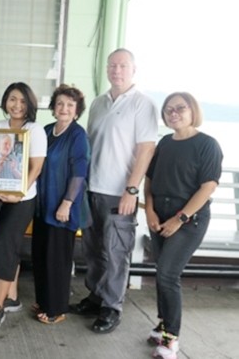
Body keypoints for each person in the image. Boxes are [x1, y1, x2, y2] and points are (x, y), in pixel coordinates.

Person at [72, 48, 158, 333]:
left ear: (133, 69)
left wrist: (131, 190)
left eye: (122, 65)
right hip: (91, 188)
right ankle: (96, 296)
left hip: (120, 192)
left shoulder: (142, 104)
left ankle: (112, 307)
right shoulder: (98, 103)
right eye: (111, 65)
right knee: (93, 249)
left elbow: (146, 149)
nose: (116, 70)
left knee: (117, 251)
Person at [144, 92, 222, 359]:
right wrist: (150, 213)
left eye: (180, 108)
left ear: (193, 111)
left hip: (189, 219)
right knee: (160, 271)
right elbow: (150, 182)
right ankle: (163, 323)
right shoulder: (164, 143)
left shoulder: (207, 145)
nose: (173, 112)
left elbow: (208, 186)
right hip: (160, 216)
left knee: (168, 274)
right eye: (168, 109)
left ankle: (170, 340)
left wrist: (180, 219)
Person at [0, 82, 46, 330]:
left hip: (22, 200)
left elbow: (36, 168)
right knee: (3, 244)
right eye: (12, 99)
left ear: (29, 104)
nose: (16, 105)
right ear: (5, 101)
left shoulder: (35, 130)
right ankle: (13, 298)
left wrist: (18, 193)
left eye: (22, 100)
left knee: (5, 246)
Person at [32, 84, 90, 325]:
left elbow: (79, 172)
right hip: (42, 204)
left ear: (76, 111)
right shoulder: (45, 130)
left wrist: (67, 203)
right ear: (53, 108)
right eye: (60, 104)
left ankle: (56, 308)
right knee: (40, 255)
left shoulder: (78, 135)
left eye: (70, 105)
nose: (64, 108)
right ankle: (44, 299)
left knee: (58, 259)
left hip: (63, 206)